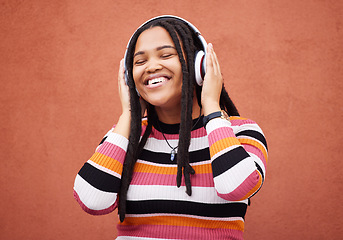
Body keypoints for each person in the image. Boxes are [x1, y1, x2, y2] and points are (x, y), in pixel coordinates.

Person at [73, 15, 268, 240]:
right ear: (128, 77)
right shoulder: (124, 136)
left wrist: (212, 107)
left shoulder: (241, 132)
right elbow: (92, 201)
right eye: (139, 62)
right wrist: (128, 115)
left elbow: (237, 187)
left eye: (166, 55)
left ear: (199, 66)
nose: (152, 66)